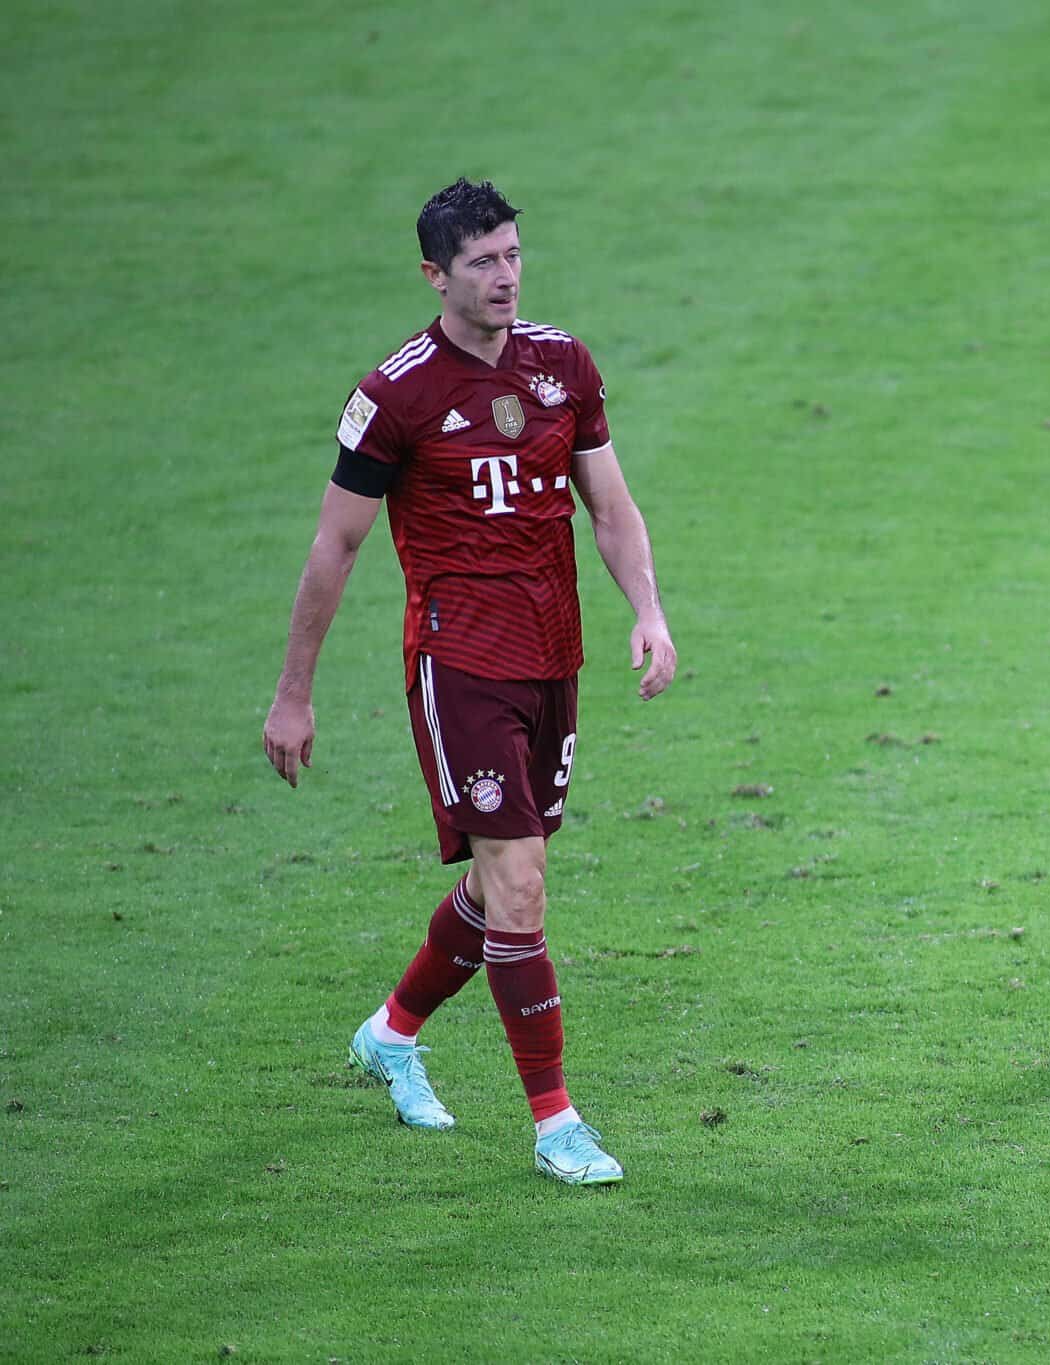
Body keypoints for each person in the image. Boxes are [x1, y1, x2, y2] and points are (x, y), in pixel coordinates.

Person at [262, 178, 677, 1184]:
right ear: (434, 274)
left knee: (499, 888)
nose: (505, 275)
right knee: (522, 883)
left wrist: (649, 611)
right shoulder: (395, 394)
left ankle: (392, 1034)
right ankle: (555, 1124)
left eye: (513, 254)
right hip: (459, 665)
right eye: (483, 261)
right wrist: (294, 692)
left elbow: (609, 507)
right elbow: (335, 548)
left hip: (553, 657)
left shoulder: (562, 365)